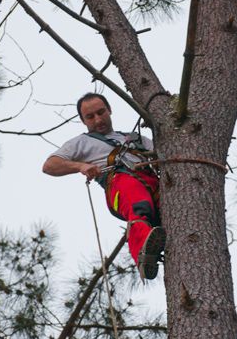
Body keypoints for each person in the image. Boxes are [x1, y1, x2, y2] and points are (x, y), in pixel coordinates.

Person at [43, 92, 165, 280]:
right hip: (119, 181)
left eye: (101, 112)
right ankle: (142, 253)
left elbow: (162, 156)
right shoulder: (82, 142)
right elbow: (50, 165)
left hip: (152, 182)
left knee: (170, 211)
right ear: (83, 121)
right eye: (90, 117)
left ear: (109, 110)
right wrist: (80, 165)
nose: (98, 119)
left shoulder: (135, 138)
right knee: (139, 206)